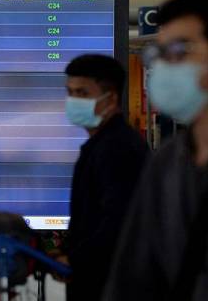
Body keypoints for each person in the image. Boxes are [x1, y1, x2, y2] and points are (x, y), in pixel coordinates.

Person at [102, 0, 208, 301]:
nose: (165, 66)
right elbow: (133, 272)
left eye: (179, 50)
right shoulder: (168, 161)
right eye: (159, 54)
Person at [59, 54, 149, 301]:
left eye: (82, 93)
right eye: (70, 92)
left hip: (109, 284)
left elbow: (119, 222)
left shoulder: (118, 149)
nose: (73, 101)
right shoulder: (101, 145)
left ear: (111, 98)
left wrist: (75, 259)